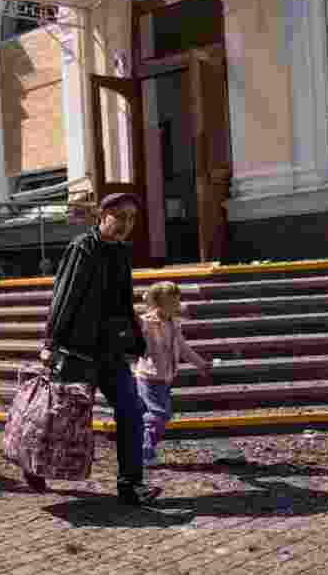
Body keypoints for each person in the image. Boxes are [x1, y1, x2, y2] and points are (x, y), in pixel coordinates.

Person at [38, 192, 160, 506]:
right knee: (62, 418)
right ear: (103, 215)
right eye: (121, 217)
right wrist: (50, 343)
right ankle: (34, 463)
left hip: (110, 351)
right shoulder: (82, 248)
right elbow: (64, 296)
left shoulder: (121, 252)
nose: (126, 224)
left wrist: (136, 341)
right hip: (78, 350)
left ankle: (130, 485)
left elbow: (123, 301)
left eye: (132, 218)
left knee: (132, 411)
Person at [133, 281, 212, 466]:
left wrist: (200, 364)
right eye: (172, 302)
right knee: (160, 414)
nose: (177, 305)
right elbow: (137, 329)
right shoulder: (148, 322)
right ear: (159, 304)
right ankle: (143, 450)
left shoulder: (174, 324)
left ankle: (144, 448)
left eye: (178, 301)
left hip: (165, 377)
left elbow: (183, 348)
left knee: (160, 415)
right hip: (149, 376)